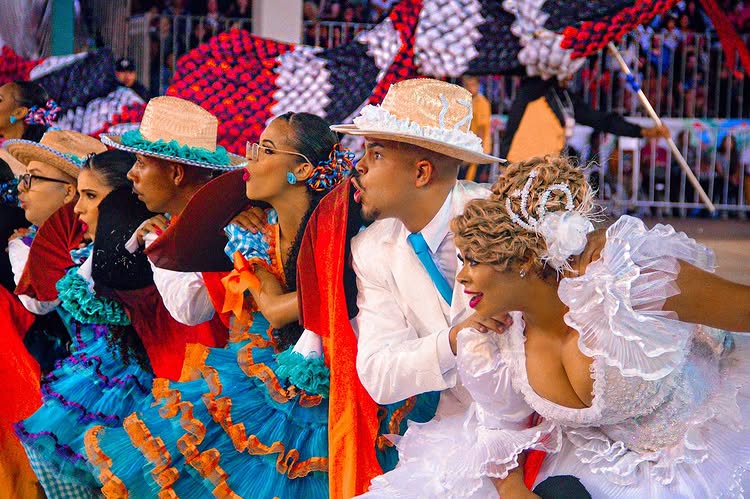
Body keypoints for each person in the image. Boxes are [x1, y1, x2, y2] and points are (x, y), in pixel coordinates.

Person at [374, 154, 750, 497]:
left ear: (521, 261)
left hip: (709, 456)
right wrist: (514, 492)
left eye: (473, 261)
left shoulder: (626, 282)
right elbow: (500, 427)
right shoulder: (491, 339)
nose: (462, 277)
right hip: (596, 472)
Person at [86, 112, 351, 498]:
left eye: (265, 150)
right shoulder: (251, 233)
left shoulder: (343, 229)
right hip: (268, 381)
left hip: (340, 380)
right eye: (253, 149)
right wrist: (343, 291)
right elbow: (274, 309)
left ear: (302, 169)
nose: (250, 161)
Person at [331, 78, 547, 496]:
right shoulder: (370, 248)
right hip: (455, 438)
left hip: (546, 428)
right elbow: (377, 373)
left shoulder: (507, 217)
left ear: (421, 172)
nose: (359, 167)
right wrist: (454, 339)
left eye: (375, 153)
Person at [12, 150, 158, 498]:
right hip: (100, 379)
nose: (77, 208)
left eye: (90, 196)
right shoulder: (80, 254)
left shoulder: (154, 247)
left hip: (144, 386)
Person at [101, 95, 245, 350]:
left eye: (141, 163)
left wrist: (158, 242)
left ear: (177, 174)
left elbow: (188, 309)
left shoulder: (229, 225)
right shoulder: (193, 220)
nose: (130, 174)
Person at [500, 75, 671, 163]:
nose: (571, 74)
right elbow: (512, 127)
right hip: (519, 165)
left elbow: (602, 120)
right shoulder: (530, 91)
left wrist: (642, 131)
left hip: (548, 168)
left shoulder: (566, 99)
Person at [460, 75, 493, 182]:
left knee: (471, 183)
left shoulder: (482, 102)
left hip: (478, 148)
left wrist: (475, 152)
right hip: (468, 148)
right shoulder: (466, 101)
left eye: (473, 85)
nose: (470, 88)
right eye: (467, 85)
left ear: (478, 85)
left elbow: (482, 129)